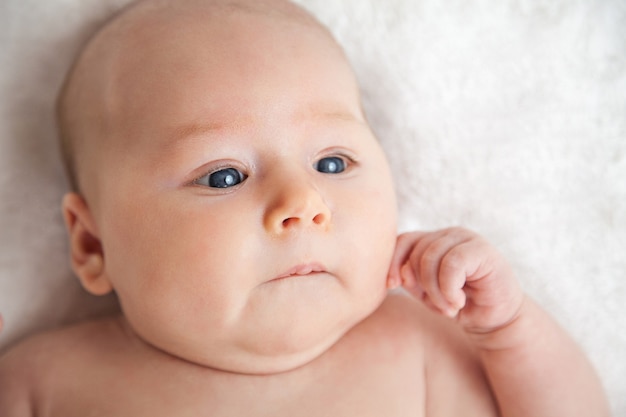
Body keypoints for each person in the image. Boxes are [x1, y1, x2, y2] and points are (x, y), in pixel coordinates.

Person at [0, 0, 610, 415]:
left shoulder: (421, 346)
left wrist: (509, 332)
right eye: (225, 174)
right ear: (93, 244)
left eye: (332, 164)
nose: (304, 202)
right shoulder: (44, 383)